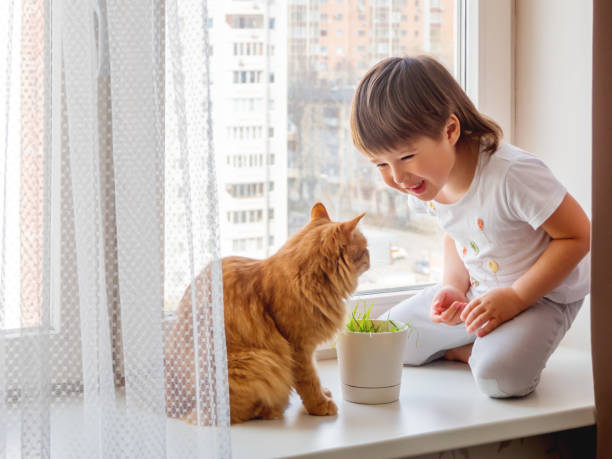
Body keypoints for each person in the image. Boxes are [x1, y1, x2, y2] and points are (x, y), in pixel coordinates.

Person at [349, 55, 590, 398]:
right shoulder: (424, 181)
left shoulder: (512, 175)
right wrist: (453, 286)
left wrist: (516, 298)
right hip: (479, 295)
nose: (397, 177)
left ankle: (481, 350)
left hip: (541, 296)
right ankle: (478, 340)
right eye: (381, 164)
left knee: (499, 379)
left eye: (405, 157)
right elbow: (456, 233)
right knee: (384, 341)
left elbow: (577, 235)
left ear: (450, 130)